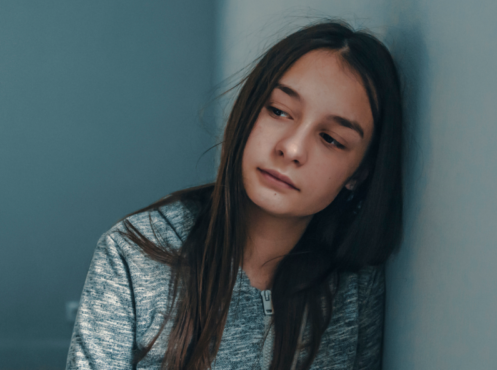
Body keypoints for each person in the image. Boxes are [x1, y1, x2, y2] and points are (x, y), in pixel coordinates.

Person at [66, 20, 403, 370]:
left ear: (359, 173)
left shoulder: (356, 282)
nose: (291, 148)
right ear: (248, 110)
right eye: (278, 111)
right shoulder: (133, 254)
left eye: (331, 139)